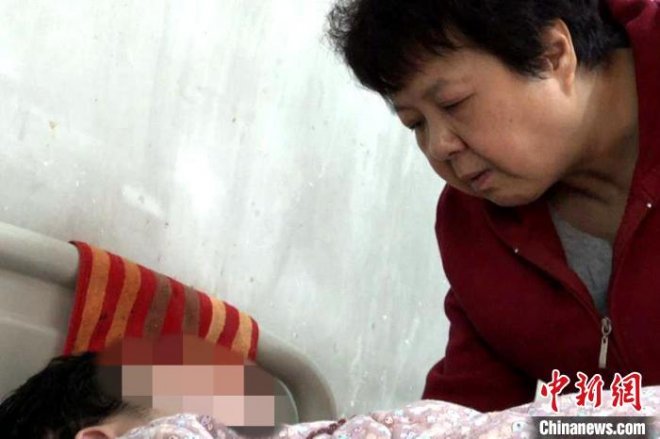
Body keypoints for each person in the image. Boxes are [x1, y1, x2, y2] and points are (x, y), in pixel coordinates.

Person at [326, 0, 660, 411]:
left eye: (453, 103)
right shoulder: (473, 227)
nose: (438, 146)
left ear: (552, 54)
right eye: (416, 124)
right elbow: (469, 412)